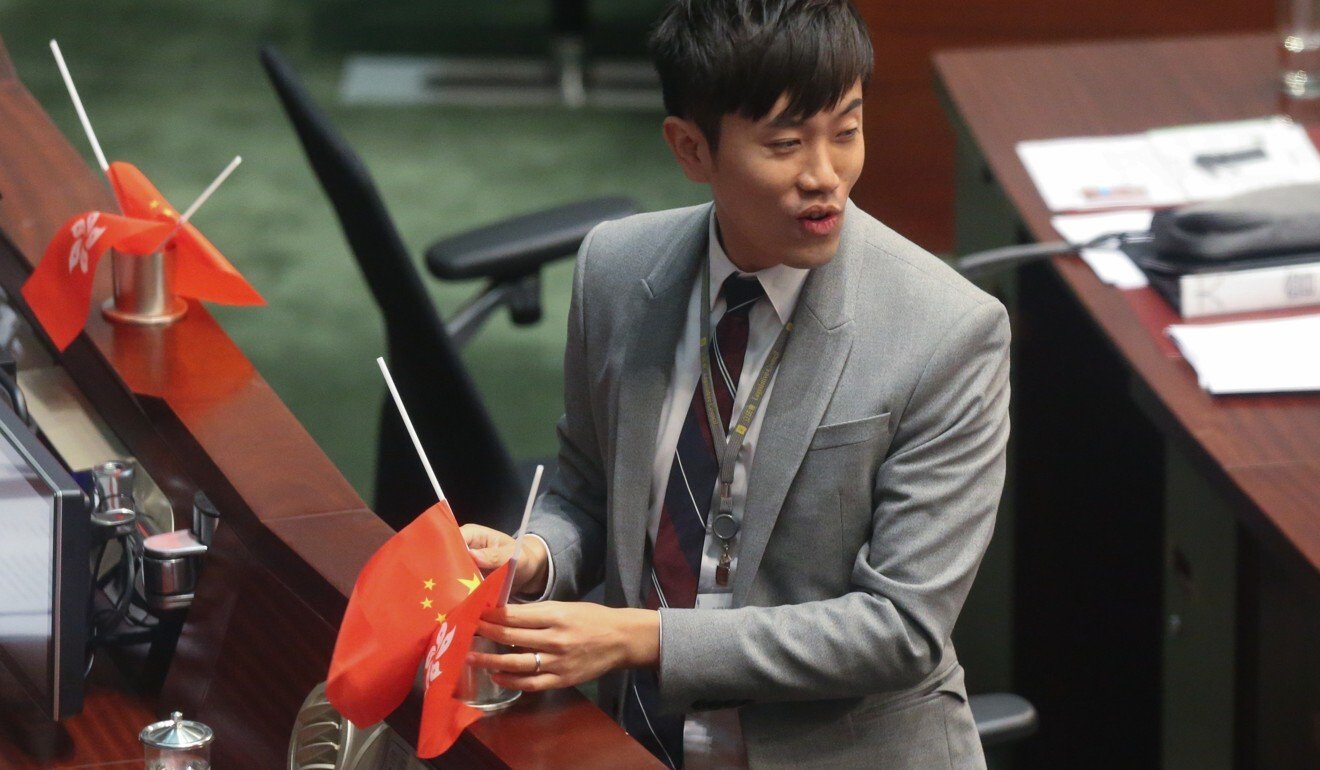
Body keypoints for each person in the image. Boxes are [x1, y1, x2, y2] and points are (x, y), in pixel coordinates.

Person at [462, 1, 1010, 767]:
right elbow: (587, 489)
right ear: (691, 147)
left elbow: (902, 629)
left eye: (846, 131)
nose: (825, 176)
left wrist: (644, 638)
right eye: (785, 143)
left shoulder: (948, 331)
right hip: (633, 742)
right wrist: (535, 557)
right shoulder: (616, 270)